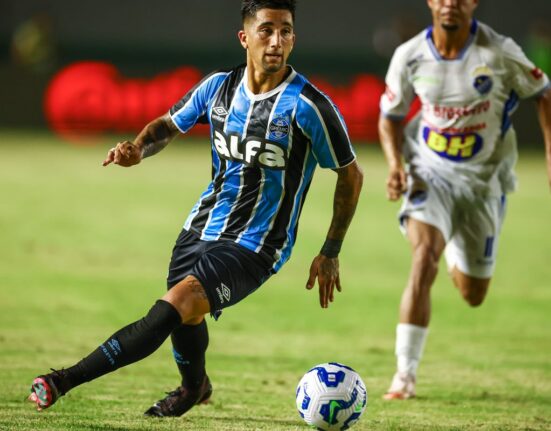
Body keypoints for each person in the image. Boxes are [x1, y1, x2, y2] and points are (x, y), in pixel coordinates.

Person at [27, 0, 363, 416]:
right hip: (201, 226)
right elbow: (168, 125)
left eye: (287, 31)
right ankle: (194, 387)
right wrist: (137, 149)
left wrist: (330, 250)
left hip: (257, 245)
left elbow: (351, 174)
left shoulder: (308, 105)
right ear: (244, 37)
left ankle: (62, 380)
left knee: (175, 305)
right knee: (185, 316)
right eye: (267, 30)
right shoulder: (218, 88)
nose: (277, 41)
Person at [378, 0, 551, 400]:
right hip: (429, 173)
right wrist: (393, 165)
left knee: (473, 295)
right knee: (423, 258)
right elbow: (389, 117)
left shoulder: (500, 52)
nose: (450, 4)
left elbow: (543, 92)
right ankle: (405, 376)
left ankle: (457, 244)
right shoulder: (410, 56)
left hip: (483, 183)